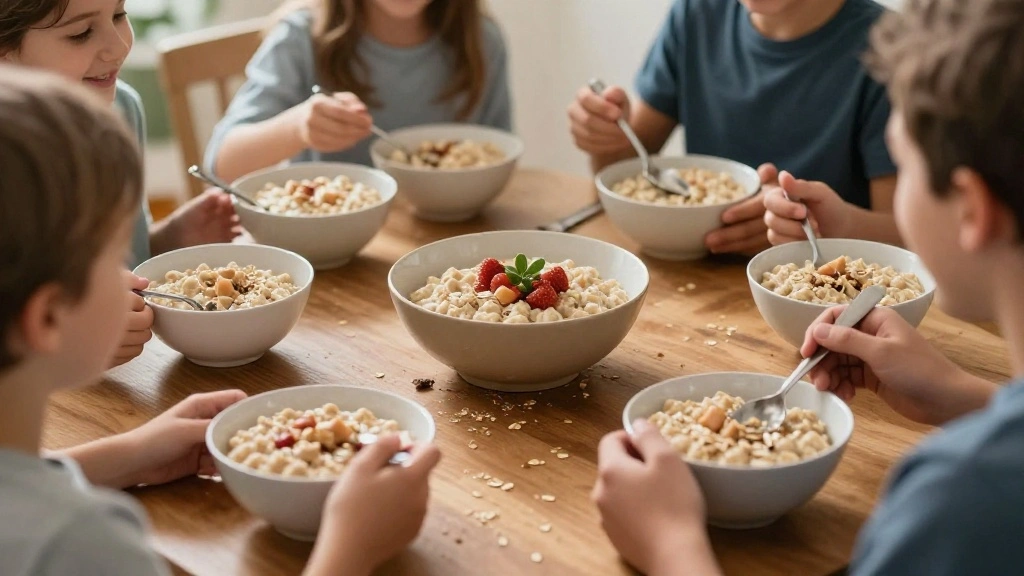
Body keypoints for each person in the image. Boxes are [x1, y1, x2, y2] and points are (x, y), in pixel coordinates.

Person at [591, 0, 1024, 573]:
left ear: (971, 208)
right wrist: (969, 397)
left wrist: (672, 546)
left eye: (905, 168)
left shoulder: (955, 500)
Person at [0, 66, 442, 576]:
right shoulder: (80, 545)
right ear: (49, 317)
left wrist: (127, 455)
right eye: (115, 253)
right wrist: (349, 549)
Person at [0, 0, 242, 367]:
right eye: (81, 33)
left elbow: (124, 262)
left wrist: (170, 238)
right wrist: (65, 342)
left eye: (118, 15)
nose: (118, 46)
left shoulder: (121, 110)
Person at [568, 0, 897, 255]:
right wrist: (604, 137)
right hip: (695, 280)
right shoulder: (697, 14)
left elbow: (905, 234)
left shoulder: (892, 50)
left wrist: (826, 228)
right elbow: (622, 172)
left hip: (824, 297)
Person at [206, 0, 513, 182]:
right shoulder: (300, 38)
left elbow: (502, 157)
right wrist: (297, 127)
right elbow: (220, 164)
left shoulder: (482, 41)